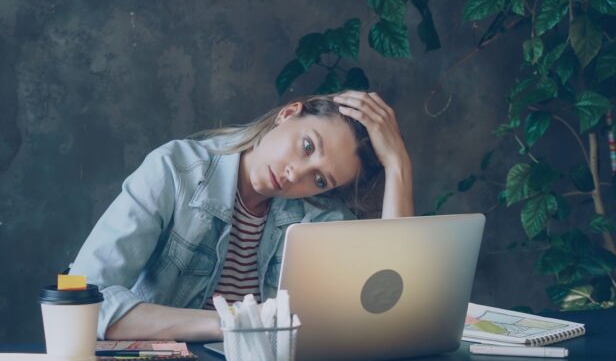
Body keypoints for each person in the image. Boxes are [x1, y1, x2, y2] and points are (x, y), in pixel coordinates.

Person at [69, 91, 414, 341]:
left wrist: (397, 166)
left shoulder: (319, 218)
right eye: (308, 146)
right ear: (288, 113)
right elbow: (78, 298)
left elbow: (387, 315)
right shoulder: (174, 169)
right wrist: (230, 324)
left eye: (320, 179)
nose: (297, 174)